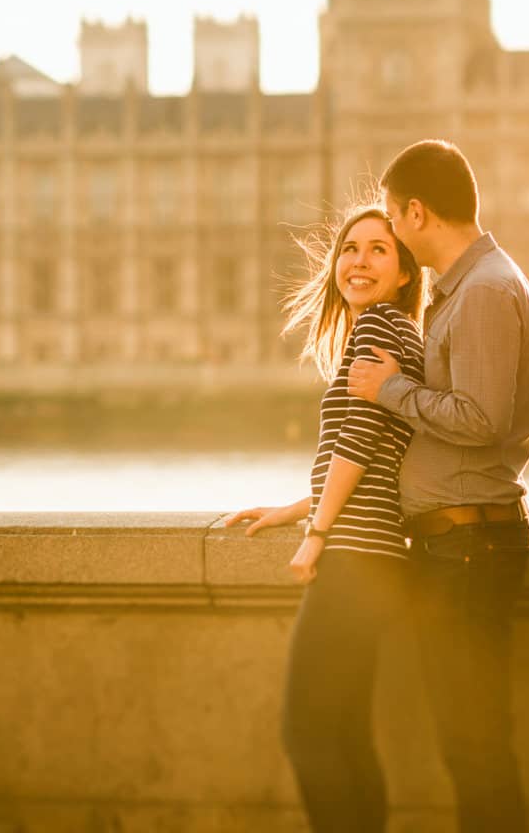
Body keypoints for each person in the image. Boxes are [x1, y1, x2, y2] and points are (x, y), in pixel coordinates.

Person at [347, 139, 529, 833]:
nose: (388, 234)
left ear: (416, 211)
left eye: (389, 219)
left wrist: (390, 389)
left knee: (475, 743)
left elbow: (483, 419)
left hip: (469, 546)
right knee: (467, 741)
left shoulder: (486, 291)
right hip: (456, 543)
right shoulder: (466, 288)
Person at [225, 205, 425, 833]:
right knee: (345, 732)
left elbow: (360, 439)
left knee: (308, 732)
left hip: (354, 561)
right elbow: (378, 456)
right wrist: (296, 508)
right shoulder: (399, 334)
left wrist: (315, 538)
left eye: (378, 250)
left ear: (404, 272)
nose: (358, 261)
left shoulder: (379, 331)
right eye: (350, 248)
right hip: (381, 557)